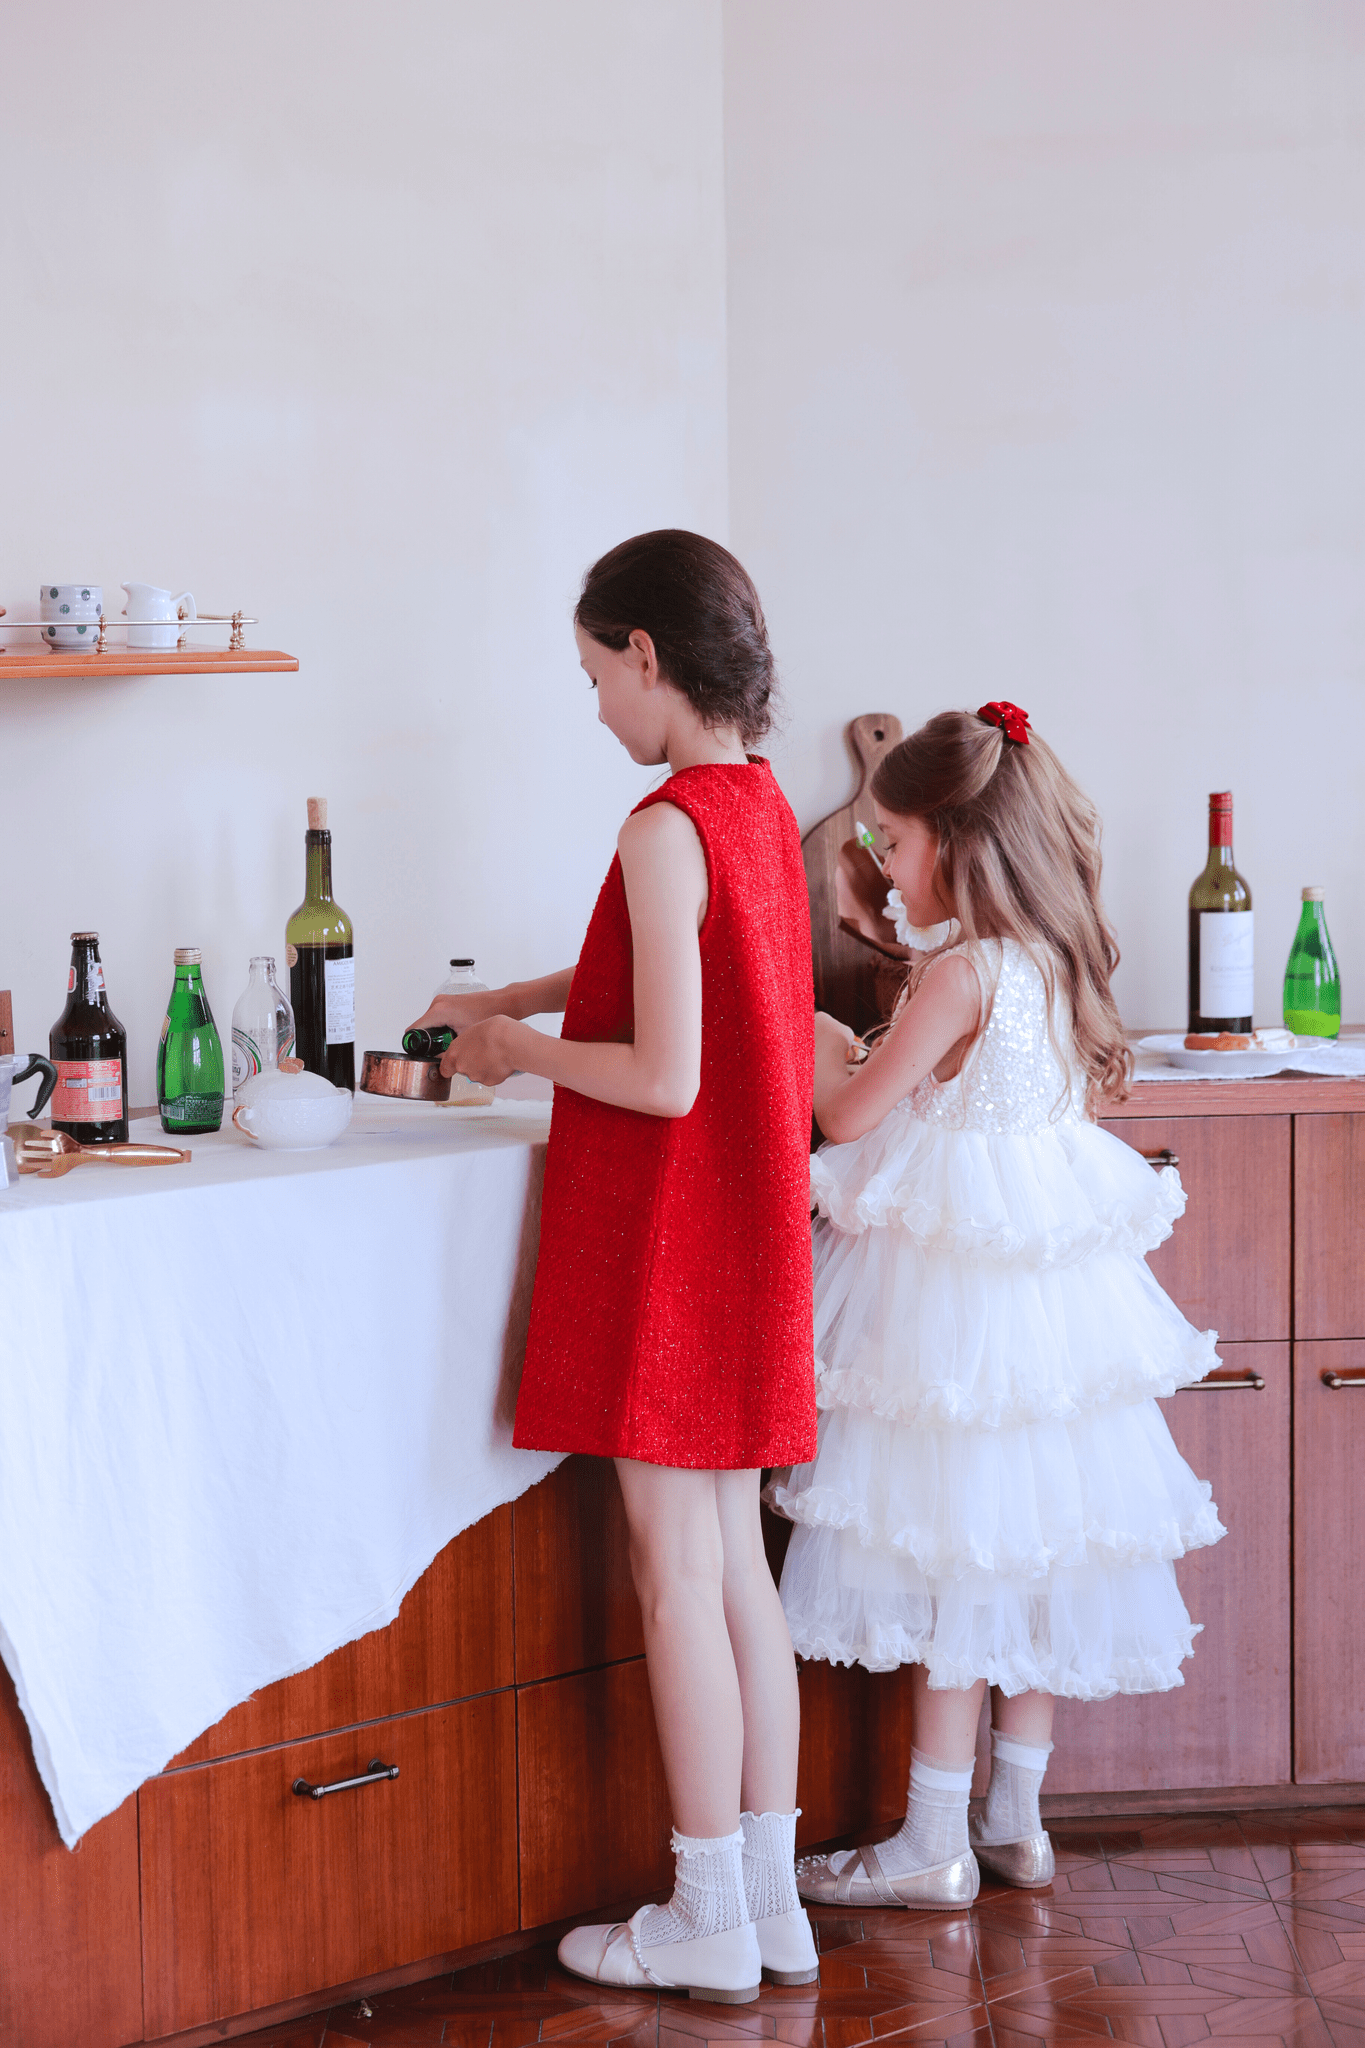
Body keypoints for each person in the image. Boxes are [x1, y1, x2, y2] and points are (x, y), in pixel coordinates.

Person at [409, 531, 819, 2000]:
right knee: (738, 1577)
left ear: (648, 655)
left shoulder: (661, 827)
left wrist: (514, 1050)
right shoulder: (757, 810)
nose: (593, 707)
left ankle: (701, 1911)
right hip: (748, 1236)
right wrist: (517, 991)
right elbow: (690, 978)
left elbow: (660, 1074)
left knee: (672, 1575)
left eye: (595, 673)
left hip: (668, 1237)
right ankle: (768, 1901)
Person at [771, 702, 1225, 1910]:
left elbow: (852, 1115)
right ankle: (1014, 1812)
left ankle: (928, 1839)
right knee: (1035, 1547)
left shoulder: (963, 970)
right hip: (1048, 1324)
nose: (881, 862)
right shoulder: (1051, 959)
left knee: (964, 1552)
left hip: (956, 1322)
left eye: (896, 842)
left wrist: (820, 1040)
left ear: (960, 844)